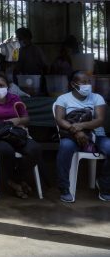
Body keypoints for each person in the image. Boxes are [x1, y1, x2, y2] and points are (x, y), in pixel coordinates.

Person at [0, 75, 42, 199]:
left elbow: (26, 119)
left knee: (35, 149)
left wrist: (16, 121)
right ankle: (18, 182)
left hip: (16, 134)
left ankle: (14, 180)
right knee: (6, 151)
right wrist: (8, 123)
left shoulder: (15, 98)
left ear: (7, 87)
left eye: (1, 85)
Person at [53, 70, 110, 202]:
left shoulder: (97, 98)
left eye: (89, 82)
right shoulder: (63, 99)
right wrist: (76, 131)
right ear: (73, 84)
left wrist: (81, 126)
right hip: (72, 134)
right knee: (65, 147)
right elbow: (60, 119)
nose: (87, 85)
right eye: (83, 82)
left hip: (97, 134)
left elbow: (100, 120)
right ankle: (64, 187)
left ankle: (104, 184)